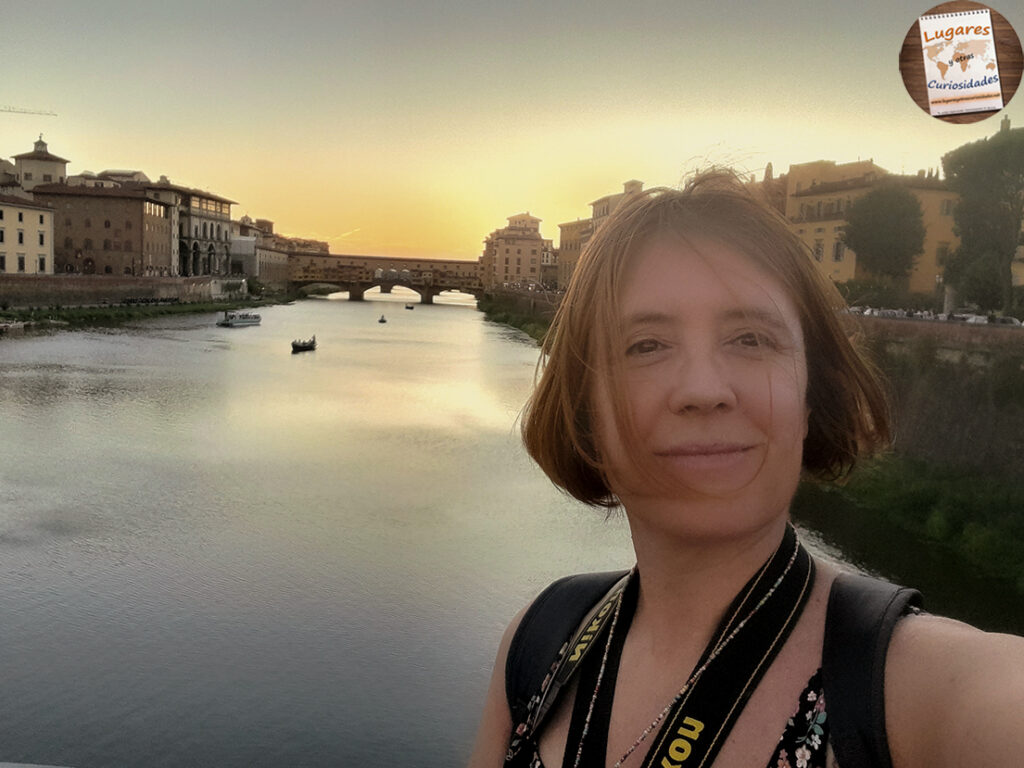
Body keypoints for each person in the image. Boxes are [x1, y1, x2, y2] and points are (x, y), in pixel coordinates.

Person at [468, 170, 1024, 768]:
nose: (704, 390)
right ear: (586, 413)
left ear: (812, 398)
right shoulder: (539, 641)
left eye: (752, 339)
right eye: (646, 346)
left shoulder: (940, 693)